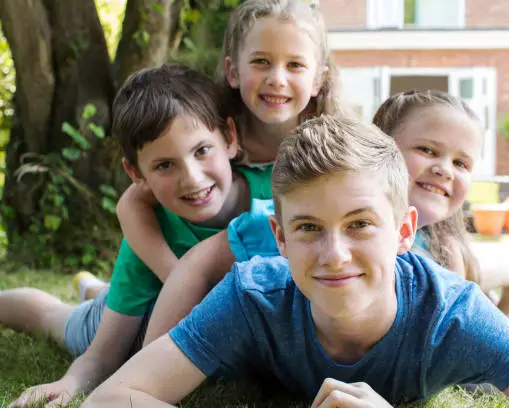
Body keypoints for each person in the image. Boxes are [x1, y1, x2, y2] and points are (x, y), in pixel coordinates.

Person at [83, 115, 509, 407]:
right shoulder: (250, 295)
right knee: (71, 325)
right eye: (309, 228)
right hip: (164, 324)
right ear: (280, 238)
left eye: (360, 224)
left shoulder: (452, 315)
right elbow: (111, 398)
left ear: (404, 231)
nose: (335, 256)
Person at [1, 63, 273, 408]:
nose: (191, 179)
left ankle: (94, 287)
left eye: (202, 150)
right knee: (55, 318)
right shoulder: (149, 237)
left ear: (230, 138)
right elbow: (102, 358)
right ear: (135, 172)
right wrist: (72, 381)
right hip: (133, 322)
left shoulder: (280, 193)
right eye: (164, 165)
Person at [110, 0, 342, 345]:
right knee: (66, 318)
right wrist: (179, 278)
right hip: (180, 274)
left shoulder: (329, 150)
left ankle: (92, 290)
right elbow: (130, 205)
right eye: (261, 61)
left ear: (318, 80)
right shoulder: (211, 136)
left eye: (294, 65)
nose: (277, 79)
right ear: (233, 71)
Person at [373, 89, 509, 320]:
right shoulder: (360, 232)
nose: (445, 170)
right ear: (379, 148)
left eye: (460, 163)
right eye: (427, 150)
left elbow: (482, 329)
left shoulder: (444, 246)